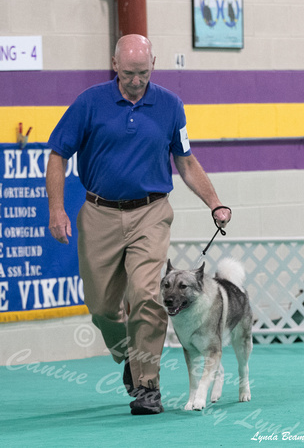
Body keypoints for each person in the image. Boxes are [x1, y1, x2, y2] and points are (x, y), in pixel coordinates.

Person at [46, 34, 231, 415]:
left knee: (148, 295)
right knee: (100, 306)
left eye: (143, 73)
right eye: (129, 73)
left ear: (154, 65)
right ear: (115, 65)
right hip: (99, 213)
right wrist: (56, 209)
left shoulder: (169, 105)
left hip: (151, 211)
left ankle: (147, 386)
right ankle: (130, 357)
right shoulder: (89, 102)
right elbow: (57, 155)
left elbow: (186, 161)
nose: (136, 81)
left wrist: (215, 202)